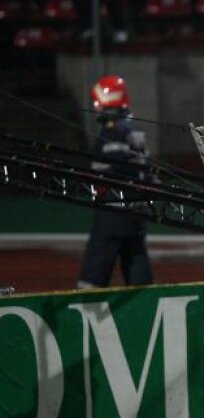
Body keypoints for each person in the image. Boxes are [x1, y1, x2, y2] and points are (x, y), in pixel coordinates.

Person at [77, 75, 153, 289]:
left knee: (95, 268)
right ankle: (146, 305)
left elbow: (116, 168)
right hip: (136, 212)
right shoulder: (134, 128)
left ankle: (85, 309)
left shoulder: (112, 130)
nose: (96, 107)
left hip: (113, 211)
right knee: (137, 264)